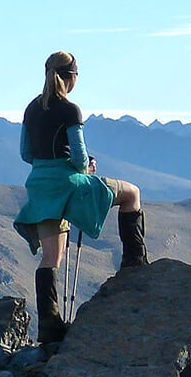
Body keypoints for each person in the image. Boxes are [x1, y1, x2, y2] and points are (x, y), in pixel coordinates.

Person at [13, 50, 148, 345]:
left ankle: (49, 327)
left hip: (40, 186)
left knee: (51, 258)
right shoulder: (70, 110)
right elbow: (78, 157)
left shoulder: (31, 109)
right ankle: (134, 265)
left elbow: (25, 154)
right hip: (70, 183)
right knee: (131, 195)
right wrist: (87, 167)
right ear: (71, 77)